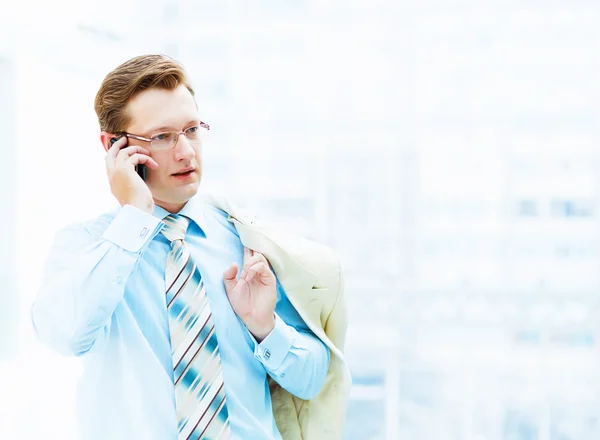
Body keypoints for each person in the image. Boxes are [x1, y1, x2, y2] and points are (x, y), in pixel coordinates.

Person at [31, 54, 350, 440]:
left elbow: (313, 380)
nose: (187, 152)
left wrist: (266, 328)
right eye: (162, 137)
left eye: (192, 129)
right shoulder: (87, 246)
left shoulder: (246, 242)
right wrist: (134, 218)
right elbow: (65, 334)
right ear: (114, 145)